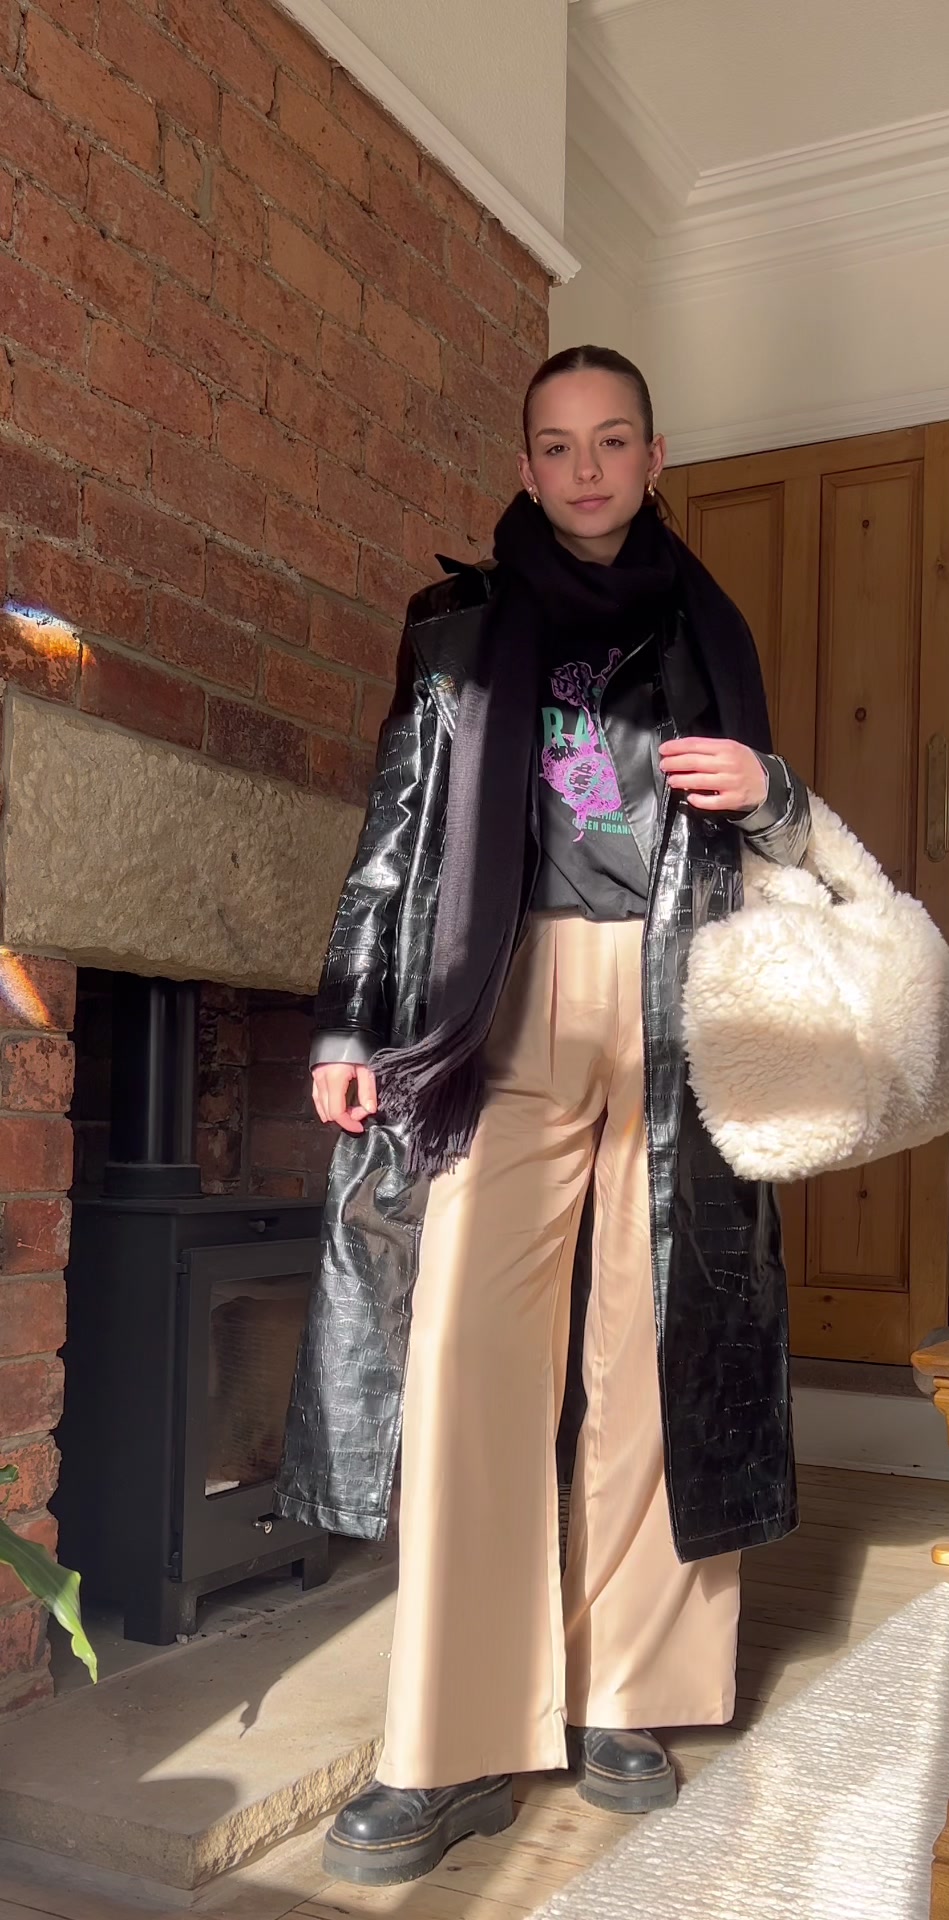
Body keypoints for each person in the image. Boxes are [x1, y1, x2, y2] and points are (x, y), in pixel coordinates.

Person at [276, 344, 810, 1889]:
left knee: (655, 1351)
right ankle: (446, 1742)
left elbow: (782, 843)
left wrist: (767, 785)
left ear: (655, 455)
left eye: (612, 441)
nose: (586, 469)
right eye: (558, 445)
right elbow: (395, 834)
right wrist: (349, 1017)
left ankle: (630, 1694)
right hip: (501, 1004)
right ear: (524, 465)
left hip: (678, 1003)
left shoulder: (710, 628)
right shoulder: (455, 629)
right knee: (465, 1356)